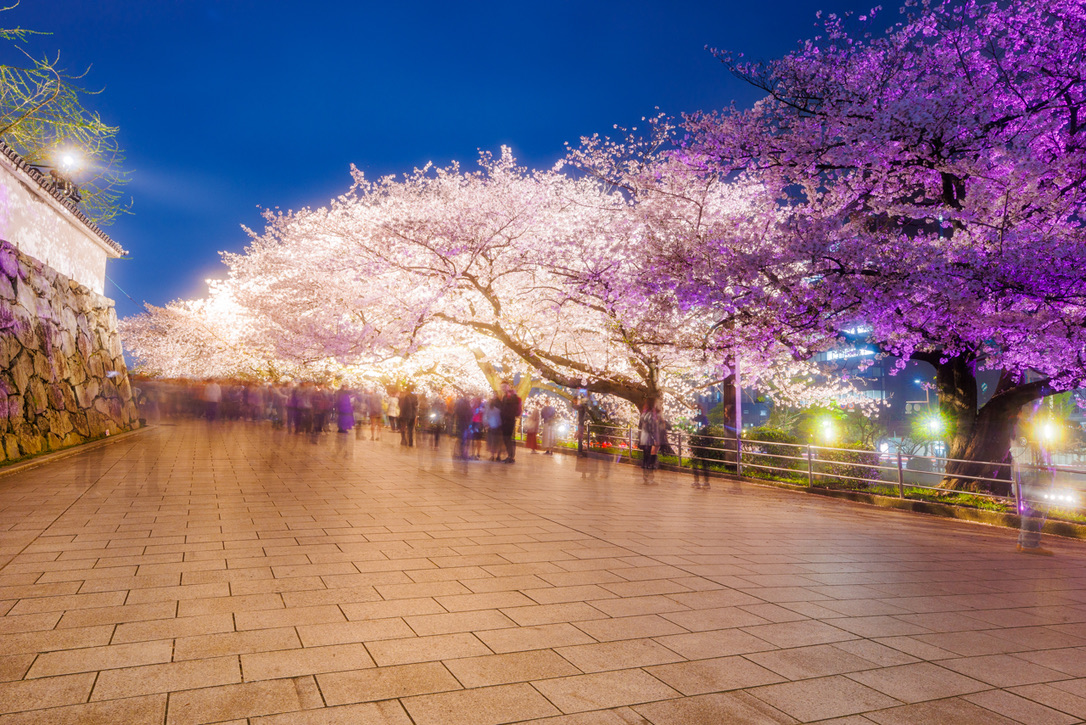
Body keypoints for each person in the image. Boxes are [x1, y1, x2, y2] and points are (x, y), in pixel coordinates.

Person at [1011, 409, 1055, 555]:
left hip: (1025, 470)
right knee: (1034, 506)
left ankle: (1023, 541)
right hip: (1031, 471)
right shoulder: (1023, 428)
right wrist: (1044, 465)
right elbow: (1030, 451)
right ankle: (1030, 543)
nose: (1033, 411)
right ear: (1020, 411)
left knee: (1030, 506)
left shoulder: (1016, 426)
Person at [639, 400, 664, 481]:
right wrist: (655, 439)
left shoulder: (643, 414)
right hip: (649, 438)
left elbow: (641, 425)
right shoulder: (651, 415)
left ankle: (645, 475)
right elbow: (652, 428)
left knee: (645, 456)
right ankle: (648, 475)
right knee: (649, 456)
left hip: (643, 437)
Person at [499, 381, 522, 464]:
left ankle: (511, 456)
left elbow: (513, 408)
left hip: (509, 420)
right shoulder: (505, 396)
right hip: (505, 420)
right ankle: (509, 455)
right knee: (506, 438)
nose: (503, 388)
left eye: (504, 386)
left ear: (508, 386)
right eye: (502, 387)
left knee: (509, 438)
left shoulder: (512, 396)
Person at [691, 408, 712, 488]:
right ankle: (705, 482)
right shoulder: (704, 419)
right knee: (703, 463)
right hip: (701, 443)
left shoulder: (698, 419)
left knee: (697, 462)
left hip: (698, 443)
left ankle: (698, 481)